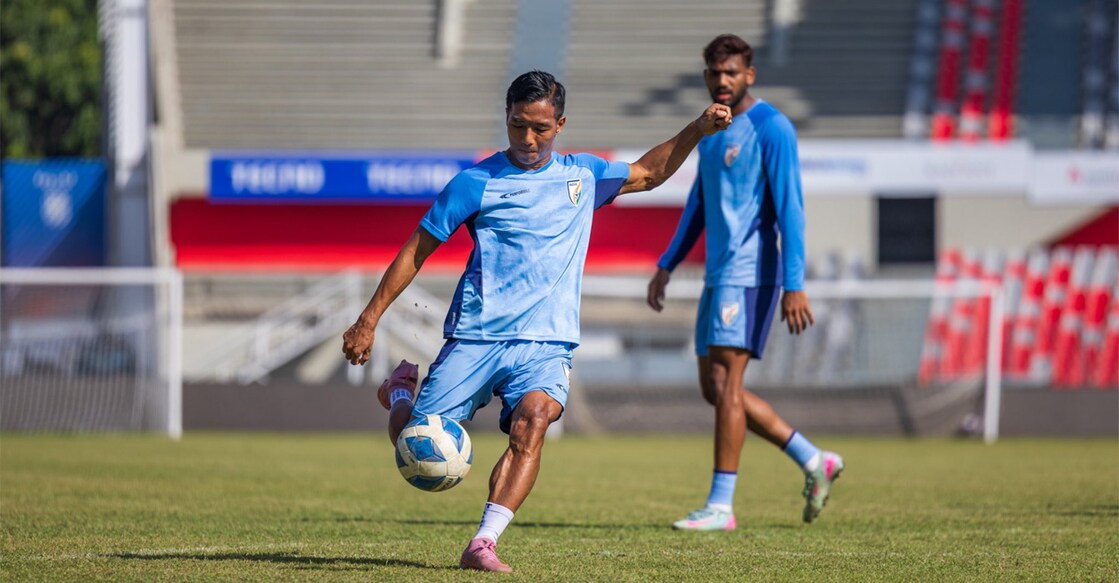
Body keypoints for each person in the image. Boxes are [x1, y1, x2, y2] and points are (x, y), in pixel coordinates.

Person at [342, 70, 732, 572]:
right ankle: (399, 393)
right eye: (518, 126)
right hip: (477, 338)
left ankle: (484, 542)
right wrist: (368, 319)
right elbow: (415, 252)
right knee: (416, 453)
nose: (528, 139)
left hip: (547, 344)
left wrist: (696, 130)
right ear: (506, 119)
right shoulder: (474, 182)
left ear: (561, 124)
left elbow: (650, 173)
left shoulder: (583, 176)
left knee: (534, 421)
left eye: (540, 129)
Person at [646, 34, 844, 532]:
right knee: (715, 391)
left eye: (731, 72)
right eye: (714, 73)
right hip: (718, 275)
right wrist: (667, 262)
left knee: (726, 384)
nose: (722, 81)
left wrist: (794, 284)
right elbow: (698, 204)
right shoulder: (712, 128)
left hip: (752, 274)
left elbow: (791, 210)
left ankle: (720, 505)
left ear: (749, 75)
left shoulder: (773, 128)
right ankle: (813, 459)